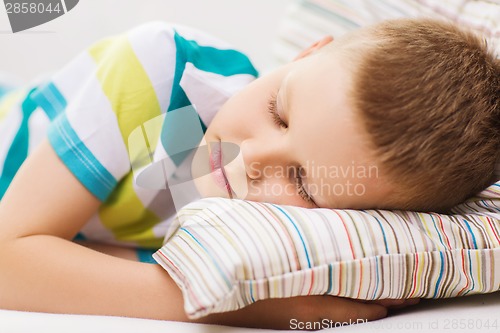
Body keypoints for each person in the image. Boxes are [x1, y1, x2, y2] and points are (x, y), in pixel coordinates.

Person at [0, 18, 498, 330]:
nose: (253, 156)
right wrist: (226, 308)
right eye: (278, 112)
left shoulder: (259, 242)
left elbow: (68, 252)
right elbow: (8, 263)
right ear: (308, 54)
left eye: (303, 183)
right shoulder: (160, 70)